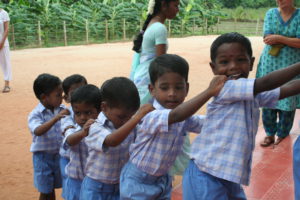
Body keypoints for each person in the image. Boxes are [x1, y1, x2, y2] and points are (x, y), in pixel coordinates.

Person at [182, 32, 300, 200]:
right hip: (206, 173)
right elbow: (266, 82)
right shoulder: (226, 88)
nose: (233, 67)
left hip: (228, 177)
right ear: (213, 68)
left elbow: (287, 89)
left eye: (241, 60)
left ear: (251, 63)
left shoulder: (252, 94)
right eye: (224, 62)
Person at [120, 54, 227, 200]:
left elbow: (205, 123)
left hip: (162, 179)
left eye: (178, 87)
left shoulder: (183, 116)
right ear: (152, 89)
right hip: (138, 180)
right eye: (164, 88)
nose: (172, 94)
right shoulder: (151, 114)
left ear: (187, 88)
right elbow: (176, 116)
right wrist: (209, 92)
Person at [80, 77, 154, 200]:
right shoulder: (93, 126)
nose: (126, 121)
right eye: (121, 117)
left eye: (130, 116)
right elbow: (112, 141)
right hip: (96, 190)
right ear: (104, 107)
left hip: (122, 186)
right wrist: (136, 118)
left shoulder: (131, 124)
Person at [257, 0, 300, 147]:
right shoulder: (270, 13)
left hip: (292, 66)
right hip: (270, 64)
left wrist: (279, 38)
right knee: (268, 97)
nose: (280, 0)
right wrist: (290, 40)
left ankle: (282, 133)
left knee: (288, 100)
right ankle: (269, 134)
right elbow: (267, 38)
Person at [130, 0, 179, 104]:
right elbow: (161, 62)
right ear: (164, 5)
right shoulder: (160, 28)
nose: (177, 10)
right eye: (175, 5)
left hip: (141, 74)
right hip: (149, 77)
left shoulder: (152, 24)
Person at [28, 73, 68, 200]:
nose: (61, 98)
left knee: (60, 185)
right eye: (58, 95)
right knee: (46, 190)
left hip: (60, 156)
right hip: (43, 158)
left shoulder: (62, 108)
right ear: (44, 97)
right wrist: (55, 119)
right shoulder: (35, 114)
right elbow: (37, 130)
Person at [63, 84, 101, 200]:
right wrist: (83, 132)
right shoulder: (72, 128)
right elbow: (69, 141)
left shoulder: (103, 130)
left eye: (88, 113)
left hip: (95, 184)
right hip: (76, 181)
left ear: (100, 109)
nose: (82, 117)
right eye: (78, 113)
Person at [60, 74, 88, 199]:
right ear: (66, 98)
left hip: (86, 160)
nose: (80, 94)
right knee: (72, 187)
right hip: (68, 159)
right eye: (74, 92)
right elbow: (70, 139)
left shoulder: (95, 111)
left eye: (83, 90)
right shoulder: (66, 115)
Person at [0, 8, 12, 93]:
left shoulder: (4, 13)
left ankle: (7, 84)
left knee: (5, 64)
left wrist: (2, 42)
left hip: (3, 42)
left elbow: (6, 29)